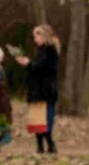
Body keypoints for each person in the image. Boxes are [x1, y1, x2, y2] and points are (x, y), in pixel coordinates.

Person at [16, 25, 60, 154]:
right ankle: (40, 145)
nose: (35, 39)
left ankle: (50, 144)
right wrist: (28, 64)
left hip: (45, 91)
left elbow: (42, 67)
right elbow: (36, 67)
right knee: (37, 119)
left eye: (36, 36)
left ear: (44, 36)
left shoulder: (49, 50)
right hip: (37, 91)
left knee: (45, 120)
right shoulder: (42, 51)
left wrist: (29, 63)